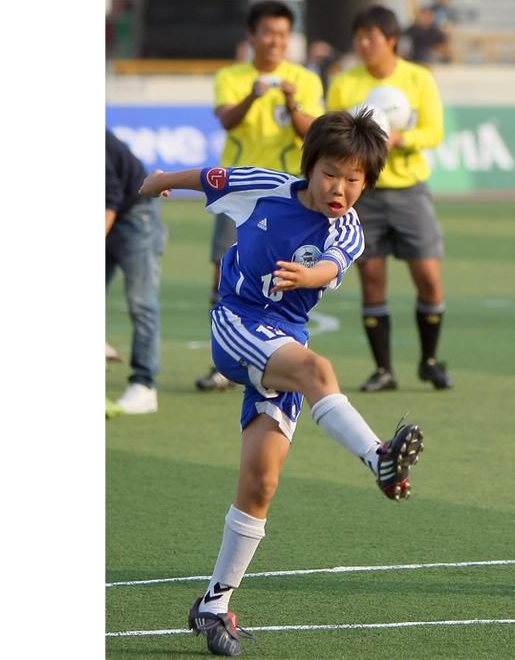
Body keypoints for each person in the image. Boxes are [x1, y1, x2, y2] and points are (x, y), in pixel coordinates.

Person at [139, 110, 424, 657]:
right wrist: (160, 181)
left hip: (282, 344)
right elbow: (212, 176)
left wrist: (306, 274)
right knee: (320, 371)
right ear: (309, 167)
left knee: (260, 484)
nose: (341, 189)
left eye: (355, 179)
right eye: (331, 174)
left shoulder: (350, 230)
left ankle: (214, 605)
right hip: (238, 324)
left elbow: (329, 269)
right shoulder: (268, 188)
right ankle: (379, 460)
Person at [197, 0, 325, 392]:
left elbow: (314, 131)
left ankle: (284, 355)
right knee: (224, 270)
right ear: (252, 35)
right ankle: (223, 362)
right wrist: (252, 97)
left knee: (284, 274)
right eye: (268, 33)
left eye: (283, 34)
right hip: (236, 190)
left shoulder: (305, 79)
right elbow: (226, 119)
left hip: (285, 191)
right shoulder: (232, 76)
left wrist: (292, 103)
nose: (276, 41)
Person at [327, 5, 452, 393]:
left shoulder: (419, 78)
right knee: (372, 280)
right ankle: (383, 370)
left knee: (429, 279)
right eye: (359, 37)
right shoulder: (345, 84)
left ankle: (429, 362)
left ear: (391, 40)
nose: (364, 44)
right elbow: (335, 134)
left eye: (372, 37)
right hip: (366, 194)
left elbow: (434, 132)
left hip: (411, 189)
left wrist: (400, 139)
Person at [106, 130, 166, 414]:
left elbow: (110, 196)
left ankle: (145, 385)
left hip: (134, 214)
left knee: (141, 301)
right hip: (111, 211)